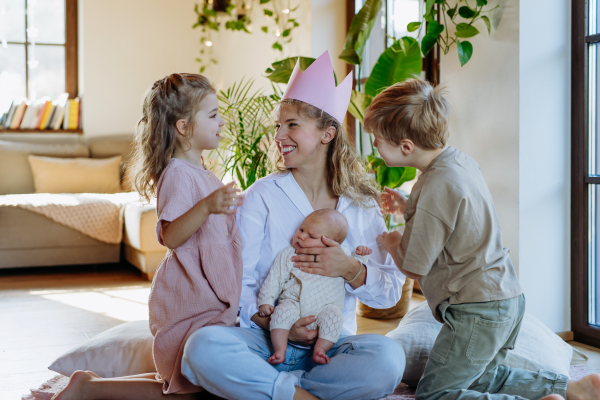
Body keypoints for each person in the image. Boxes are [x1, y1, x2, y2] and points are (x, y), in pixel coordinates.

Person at [180, 51, 406, 400]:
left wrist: (351, 270)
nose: (278, 135)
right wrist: (276, 326)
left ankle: (271, 390)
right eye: (278, 125)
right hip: (266, 340)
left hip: (331, 345)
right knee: (201, 346)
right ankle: (303, 396)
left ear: (328, 134)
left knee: (389, 359)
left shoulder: (361, 205)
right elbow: (241, 282)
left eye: (292, 125)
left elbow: (389, 291)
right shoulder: (262, 196)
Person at [368, 78, 600, 400]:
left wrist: (394, 242)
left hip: (477, 310)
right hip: (506, 298)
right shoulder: (458, 163)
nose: (374, 145)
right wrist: (407, 206)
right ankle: (572, 388)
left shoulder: (435, 186)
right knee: (479, 378)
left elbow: (413, 266)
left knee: (435, 394)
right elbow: (455, 218)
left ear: (406, 146)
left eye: (377, 140)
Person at [52, 73, 244, 400]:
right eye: (212, 115)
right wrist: (208, 206)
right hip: (189, 298)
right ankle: (88, 388)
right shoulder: (178, 175)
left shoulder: (202, 173)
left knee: (192, 383)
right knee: (187, 387)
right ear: (183, 127)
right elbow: (171, 234)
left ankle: (90, 385)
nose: (221, 121)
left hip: (207, 297)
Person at [257, 209, 373, 366]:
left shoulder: (340, 254)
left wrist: (360, 257)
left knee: (335, 316)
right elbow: (274, 278)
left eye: (311, 236)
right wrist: (266, 301)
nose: (301, 236)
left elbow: (352, 268)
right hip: (294, 303)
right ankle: (279, 350)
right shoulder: (289, 254)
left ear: (331, 243)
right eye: (301, 229)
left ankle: (320, 350)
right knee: (281, 312)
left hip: (326, 308)